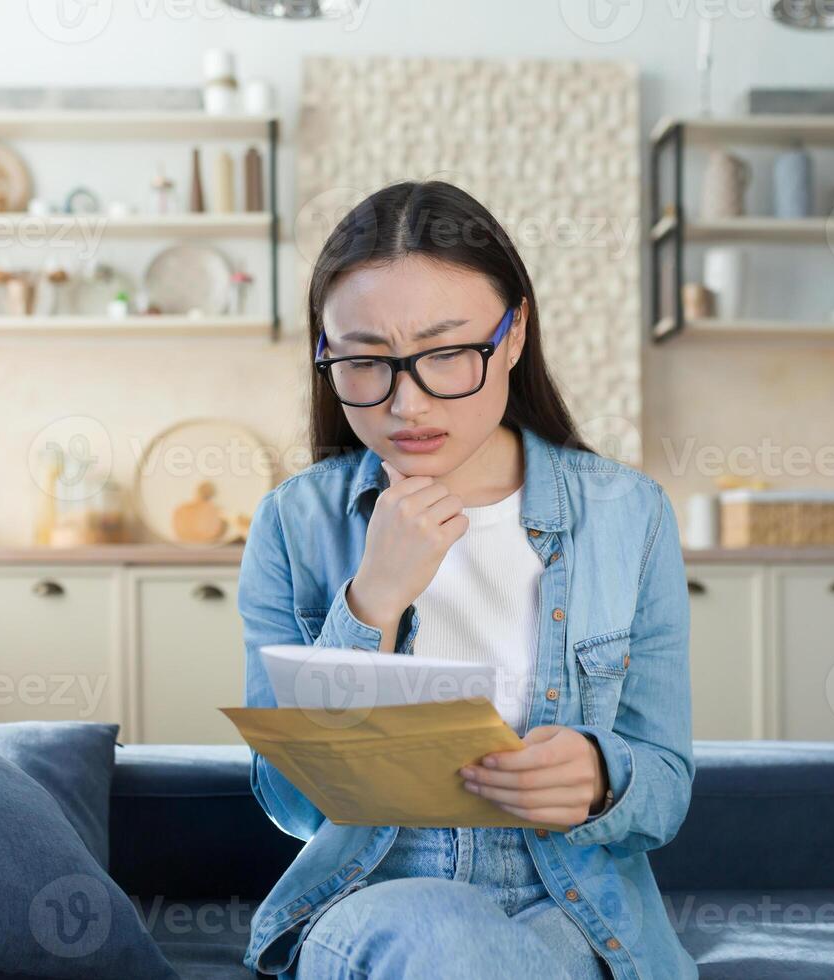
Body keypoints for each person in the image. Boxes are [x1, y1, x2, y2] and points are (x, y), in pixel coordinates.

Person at [237, 180, 697, 980]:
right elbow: (292, 803)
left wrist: (600, 776)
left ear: (514, 335)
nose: (405, 402)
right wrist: (372, 600)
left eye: (448, 353)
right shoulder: (293, 522)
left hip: (570, 908)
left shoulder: (631, 515)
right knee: (444, 932)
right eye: (364, 362)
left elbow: (666, 788)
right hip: (372, 901)